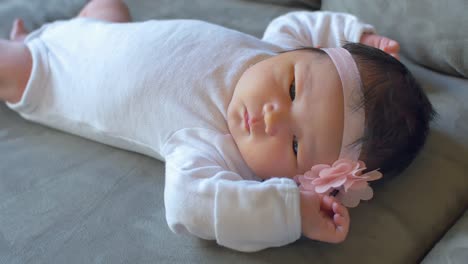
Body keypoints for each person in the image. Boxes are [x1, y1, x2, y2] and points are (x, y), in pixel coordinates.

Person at [0, 0, 435, 252]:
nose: (272, 118)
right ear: (305, 53)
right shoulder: (275, 47)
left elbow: (193, 206)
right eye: (290, 89)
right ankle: (51, 32)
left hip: (49, 75)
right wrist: (363, 35)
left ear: (301, 180)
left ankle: (21, 48)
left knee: (8, 66)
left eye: (297, 146)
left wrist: (290, 211)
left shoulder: (216, 152)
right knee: (109, 4)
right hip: (98, 31)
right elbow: (301, 21)